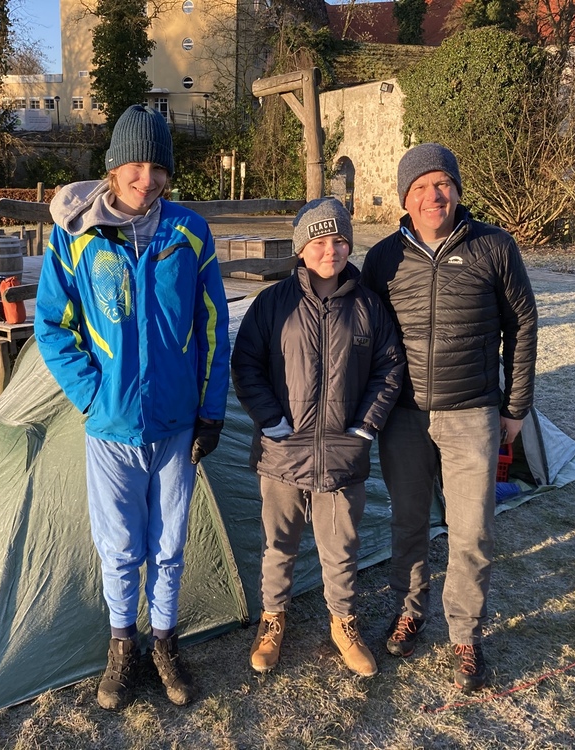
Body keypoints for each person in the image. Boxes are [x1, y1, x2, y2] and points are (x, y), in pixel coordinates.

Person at [34, 104, 230, 711]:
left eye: (158, 168)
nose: (148, 180)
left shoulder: (188, 233)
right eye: (136, 167)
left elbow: (213, 326)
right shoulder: (75, 236)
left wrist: (211, 411)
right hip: (111, 427)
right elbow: (51, 327)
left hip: (176, 426)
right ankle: (122, 645)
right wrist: (92, 395)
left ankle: (164, 643)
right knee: (119, 547)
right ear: (115, 167)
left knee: (169, 545)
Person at [361, 143, 538, 692]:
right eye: (419, 188)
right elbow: (365, 336)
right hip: (404, 417)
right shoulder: (383, 259)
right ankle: (409, 609)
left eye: (442, 184)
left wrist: (516, 407)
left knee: (472, 531)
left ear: (457, 190)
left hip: (473, 413)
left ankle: (465, 632)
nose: (432, 195)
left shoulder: (494, 246)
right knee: (408, 522)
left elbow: (523, 325)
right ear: (405, 199)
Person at [231, 197, 405, 678]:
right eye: (320, 241)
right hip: (282, 452)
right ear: (301, 248)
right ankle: (272, 620)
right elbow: (246, 364)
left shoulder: (368, 306)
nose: (331, 250)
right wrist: (270, 420)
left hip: (343, 455)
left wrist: (364, 426)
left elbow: (390, 368)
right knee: (278, 544)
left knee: (340, 548)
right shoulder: (273, 303)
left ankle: (343, 623)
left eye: (340, 240)